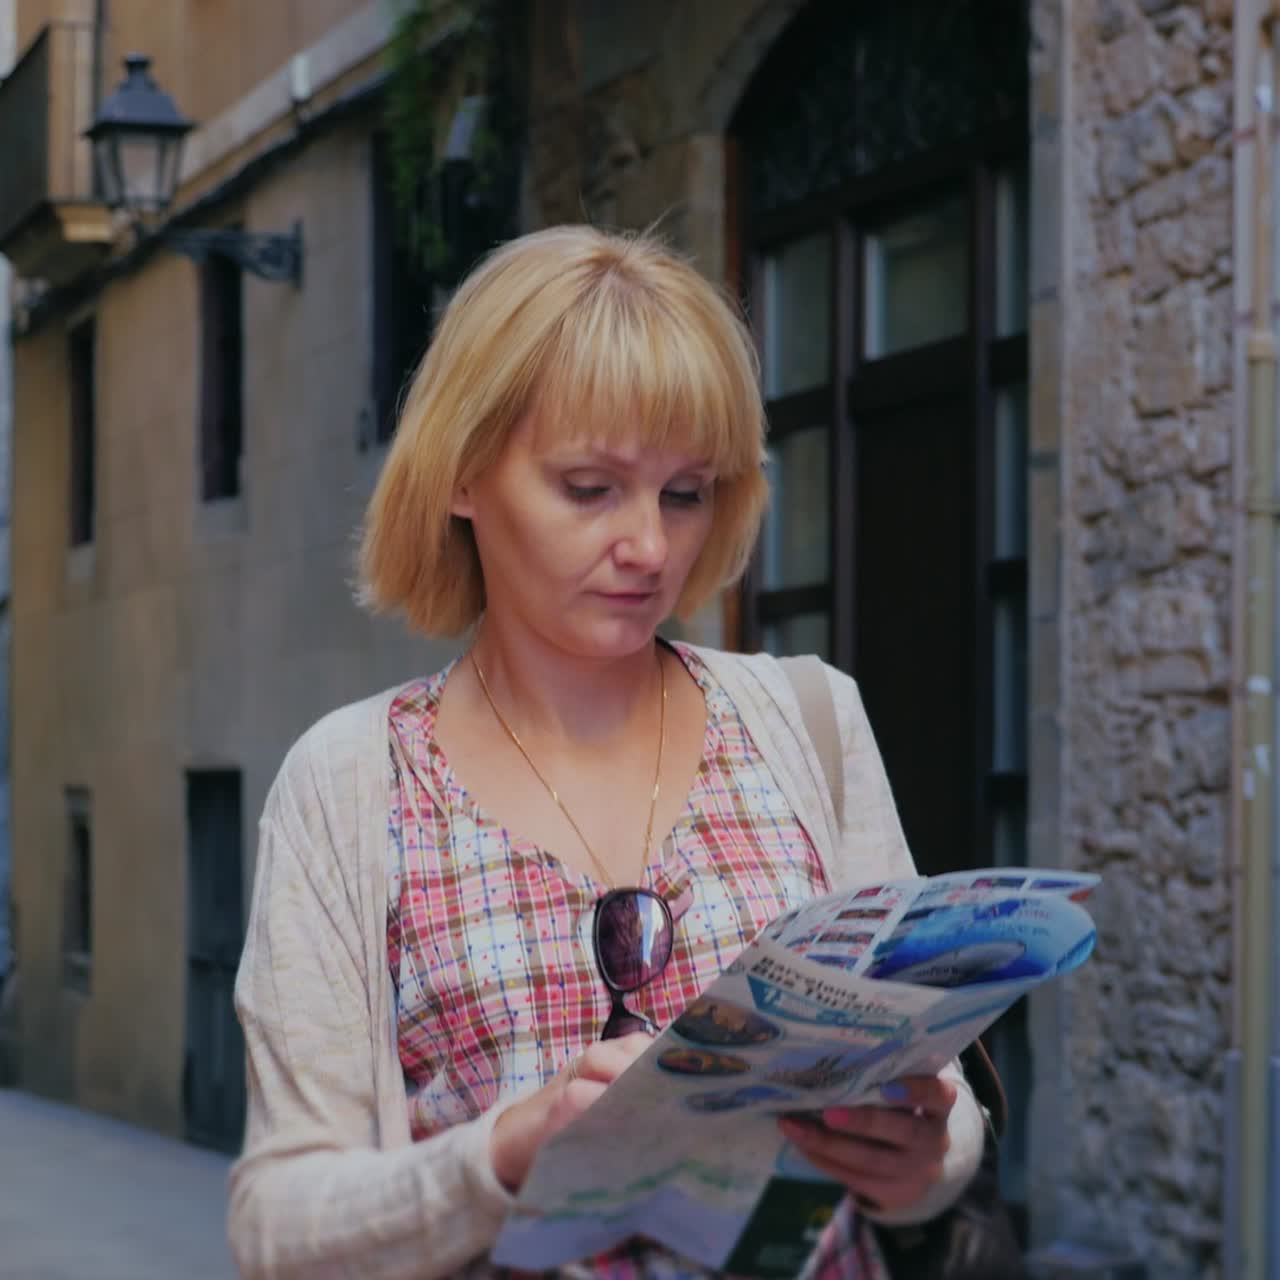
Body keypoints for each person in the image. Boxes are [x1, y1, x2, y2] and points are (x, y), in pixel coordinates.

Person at [227, 225, 984, 1278]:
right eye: (588, 488)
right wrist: (497, 1156)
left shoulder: (808, 718)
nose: (648, 546)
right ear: (459, 474)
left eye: (684, 492)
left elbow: (938, 1108)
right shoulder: (351, 781)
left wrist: (921, 1161)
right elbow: (279, 1223)